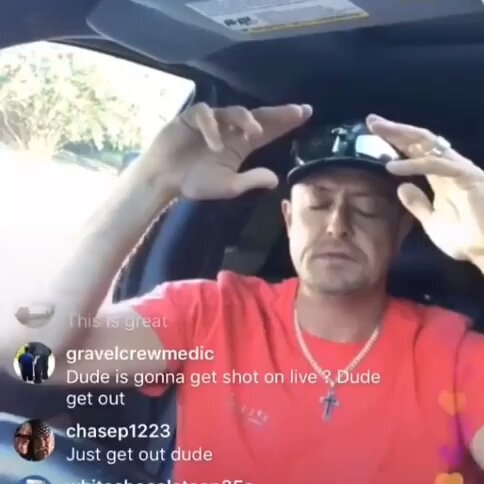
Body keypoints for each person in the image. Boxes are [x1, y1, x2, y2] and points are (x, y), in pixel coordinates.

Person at [4, 104, 484, 483]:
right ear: (289, 221)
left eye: (367, 210)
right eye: (318, 204)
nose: (337, 225)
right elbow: (30, 358)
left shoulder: (454, 355)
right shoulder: (208, 312)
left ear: (401, 232)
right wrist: (151, 182)